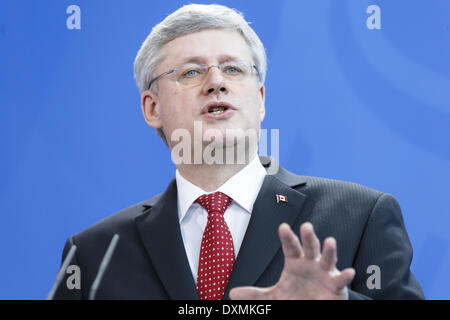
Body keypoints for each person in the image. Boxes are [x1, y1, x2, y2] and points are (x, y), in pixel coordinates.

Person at [53, 4, 424, 300]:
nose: (216, 82)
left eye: (232, 69)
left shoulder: (360, 217)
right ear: (152, 108)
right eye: (190, 73)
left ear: (259, 100)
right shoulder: (95, 253)